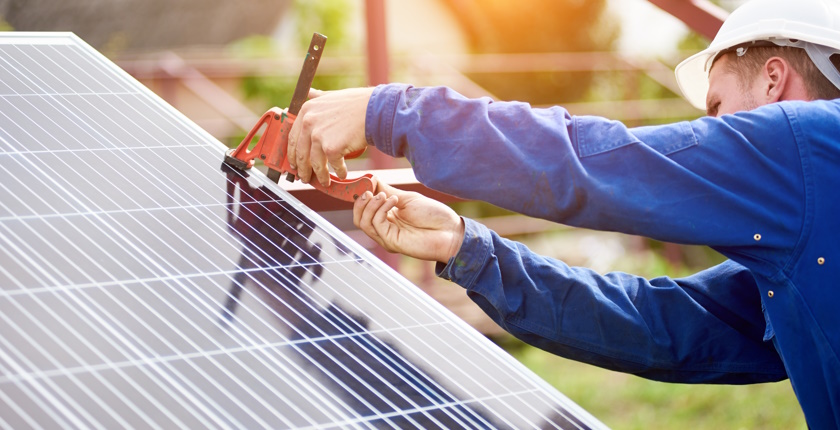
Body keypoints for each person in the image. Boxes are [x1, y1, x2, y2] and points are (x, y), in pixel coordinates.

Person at [286, 0, 840, 426]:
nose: (713, 131)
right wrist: (469, 250)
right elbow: (659, 327)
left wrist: (390, 111)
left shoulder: (807, 145)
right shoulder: (808, 234)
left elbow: (591, 164)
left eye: (717, 109)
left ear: (773, 78)